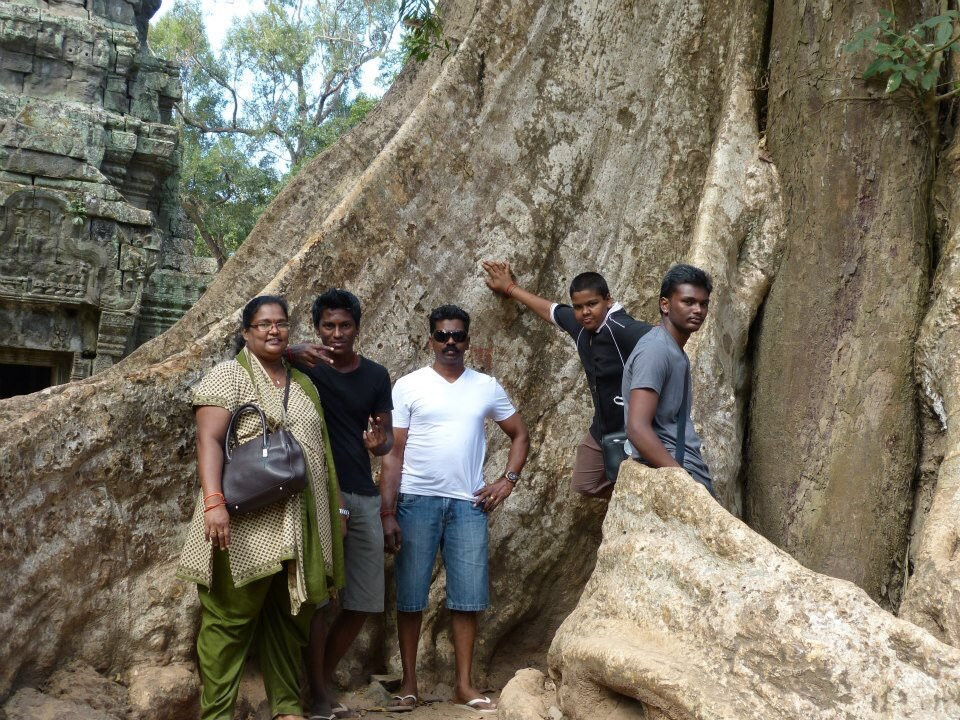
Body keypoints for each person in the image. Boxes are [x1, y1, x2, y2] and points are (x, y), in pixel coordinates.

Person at [176, 295, 345, 720]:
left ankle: (287, 709)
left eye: (281, 323)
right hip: (244, 522)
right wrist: (214, 502)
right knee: (229, 621)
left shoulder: (303, 383)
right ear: (247, 332)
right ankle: (216, 713)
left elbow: (321, 454)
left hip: (303, 523)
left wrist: (336, 509)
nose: (274, 330)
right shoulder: (227, 376)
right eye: (264, 324)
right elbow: (208, 441)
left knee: (291, 622)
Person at [380, 304, 530, 714]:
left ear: (467, 340)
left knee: (468, 597)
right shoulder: (409, 386)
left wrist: (506, 482)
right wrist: (387, 510)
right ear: (430, 339)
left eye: (458, 336)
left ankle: (464, 685)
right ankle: (410, 684)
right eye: (442, 335)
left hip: (468, 504)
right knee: (410, 595)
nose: (450, 343)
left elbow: (520, 434)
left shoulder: (485, 386)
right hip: (415, 501)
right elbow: (394, 453)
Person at [285, 289, 394, 720]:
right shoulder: (303, 368)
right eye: (327, 326)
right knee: (316, 597)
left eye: (344, 325)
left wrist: (376, 442)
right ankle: (317, 693)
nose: (336, 334)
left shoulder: (376, 375)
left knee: (364, 602)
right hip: (316, 492)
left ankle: (320, 682)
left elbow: (385, 438)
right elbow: (245, 349)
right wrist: (293, 349)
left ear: (357, 328)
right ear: (316, 329)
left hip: (361, 494)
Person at [482, 260, 650, 498]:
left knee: (638, 481)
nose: (585, 312)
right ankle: (632, 496)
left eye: (592, 304)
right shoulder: (581, 323)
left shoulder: (621, 327)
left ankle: (641, 498)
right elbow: (552, 311)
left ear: (608, 300)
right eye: (579, 306)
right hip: (603, 427)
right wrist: (510, 288)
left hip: (633, 427)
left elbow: (660, 340)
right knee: (585, 482)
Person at [622, 264, 715, 496]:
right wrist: (681, 481)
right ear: (665, 305)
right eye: (688, 301)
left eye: (703, 304)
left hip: (684, 466)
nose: (698, 310)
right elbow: (637, 427)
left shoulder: (675, 351)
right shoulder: (655, 350)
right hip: (675, 470)